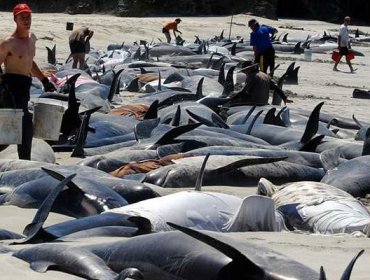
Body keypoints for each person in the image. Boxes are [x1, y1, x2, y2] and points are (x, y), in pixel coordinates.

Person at [0, 3, 56, 160]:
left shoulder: (31, 40)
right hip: (10, 87)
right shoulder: (8, 42)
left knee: (9, 132)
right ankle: (25, 162)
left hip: (25, 87)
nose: (26, 19)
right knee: (24, 126)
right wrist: (2, 85)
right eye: (22, 17)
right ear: (15, 19)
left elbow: (30, 62)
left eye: (28, 16)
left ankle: (24, 160)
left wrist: (44, 80)